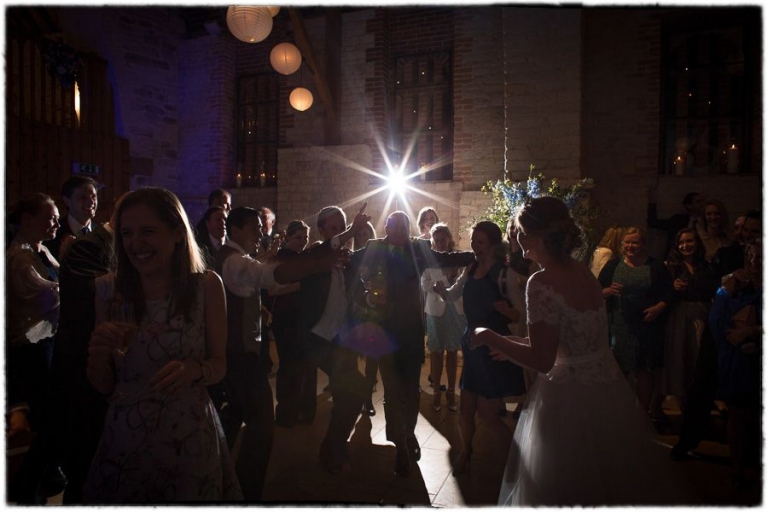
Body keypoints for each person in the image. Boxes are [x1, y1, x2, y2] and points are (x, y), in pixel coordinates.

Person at [473, 196, 690, 506]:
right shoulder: (582, 272)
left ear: (535, 235)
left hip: (567, 397)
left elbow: (543, 360)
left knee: (563, 484)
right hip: (605, 391)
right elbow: (569, 342)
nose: (515, 237)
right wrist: (513, 348)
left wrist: (489, 336)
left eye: (518, 230)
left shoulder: (541, 281)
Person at [83, 187, 242, 502]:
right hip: (125, 437)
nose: (135, 244)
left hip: (188, 435)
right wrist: (97, 357)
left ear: (178, 234)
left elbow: (219, 365)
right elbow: (104, 386)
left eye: (148, 232)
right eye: (127, 233)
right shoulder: (107, 290)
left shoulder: (206, 286)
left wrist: (194, 370)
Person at [347, 211, 475, 477]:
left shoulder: (419, 248)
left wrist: (478, 255)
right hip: (385, 333)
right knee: (393, 392)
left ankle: (408, 433)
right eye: (393, 226)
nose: (399, 231)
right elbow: (349, 264)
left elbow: (445, 258)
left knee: (412, 391)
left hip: (411, 333)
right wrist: (366, 298)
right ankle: (401, 445)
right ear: (386, 228)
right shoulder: (375, 247)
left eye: (403, 226)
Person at [52, 192, 128, 504]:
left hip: (109, 357)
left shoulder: (111, 243)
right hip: (84, 357)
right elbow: (95, 293)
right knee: (86, 453)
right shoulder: (89, 246)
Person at [436, 221, 525, 474]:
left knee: (488, 415)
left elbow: (520, 315)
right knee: (465, 411)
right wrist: (442, 290)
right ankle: (466, 451)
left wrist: (509, 312)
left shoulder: (504, 273)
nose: (475, 246)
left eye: (480, 242)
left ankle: (514, 463)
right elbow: (453, 295)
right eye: (474, 241)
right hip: (473, 345)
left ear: (494, 246)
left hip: (494, 346)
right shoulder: (470, 268)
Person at [292, 204, 372, 474]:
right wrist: (351, 231)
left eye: (343, 226)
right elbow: (329, 249)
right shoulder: (314, 255)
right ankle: (334, 448)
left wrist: (372, 298)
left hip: (342, 339)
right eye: (335, 228)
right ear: (322, 231)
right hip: (317, 337)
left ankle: (333, 447)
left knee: (348, 394)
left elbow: (359, 293)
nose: (340, 233)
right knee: (355, 387)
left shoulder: (347, 263)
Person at [6, 193, 62, 504]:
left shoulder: (42, 251)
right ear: (28, 220)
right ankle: (27, 484)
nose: (56, 221)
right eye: (50, 216)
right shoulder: (19, 258)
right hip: (32, 348)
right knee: (47, 419)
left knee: (51, 419)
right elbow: (50, 298)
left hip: (48, 342)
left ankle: (43, 475)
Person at [598, 227, 675, 424]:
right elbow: (596, 291)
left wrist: (658, 308)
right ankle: (620, 412)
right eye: (627, 242)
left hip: (647, 323)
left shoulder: (655, 266)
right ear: (622, 245)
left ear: (644, 244)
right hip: (620, 325)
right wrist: (608, 290)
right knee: (620, 368)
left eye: (635, 242)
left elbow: (669, 293)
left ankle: (641, 413)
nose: (631, 246)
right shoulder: (613, 265)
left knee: (644, 369)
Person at [710, 240, 762, 489]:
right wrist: (724, 292)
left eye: (760, 258)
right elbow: (717, 322)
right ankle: (738, 467)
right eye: (750, 257)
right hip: (739, 359)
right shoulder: (736, 286)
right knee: (738, 413)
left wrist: (753, 332)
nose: (754, 263)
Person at [663, 228, 719, 410]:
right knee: (679, 354)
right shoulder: (670, 266)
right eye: (681, 242)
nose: (685, 246)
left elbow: (713, 290)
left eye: (689, 241)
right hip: (679, 313)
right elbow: (662, 293)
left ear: (697, 243)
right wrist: (673, 287)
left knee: (698, 354)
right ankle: (682, 399)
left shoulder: (706, 266)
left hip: (702, 311)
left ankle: (699, 398)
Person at [269, 220, 317, 427]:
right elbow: (273, 289)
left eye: (305, 238)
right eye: (298, 237)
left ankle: (304, 410)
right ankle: (287, 412)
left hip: (303, 319)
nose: (303, 241)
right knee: (290, 365)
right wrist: (300, 285)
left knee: (307, 365)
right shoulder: (280, 259)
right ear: (287, 237)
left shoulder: (303, 258)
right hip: (286, 319)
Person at [420, 223, 466, 413]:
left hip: (455, 309)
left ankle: (451, 393)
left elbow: (464, 280)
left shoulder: (458, 258)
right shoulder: (428, 259)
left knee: (453, 352)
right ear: (433, 241)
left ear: (449, 239)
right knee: (437, 353)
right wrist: (439, 282)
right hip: (435, 310)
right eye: (436, 240)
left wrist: (449, 277)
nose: (440, 243)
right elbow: (424, 283)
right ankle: (437, 390)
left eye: (443, 239)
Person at [353, 221, 380, 417]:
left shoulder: (378, 259)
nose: (363, 238)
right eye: (360, 234)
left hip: (374, 312)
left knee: (372, 356)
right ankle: (354, 394)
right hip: (355, 311)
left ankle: (368, 398)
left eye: (366, 234)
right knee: (353, 355)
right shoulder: (353, 258)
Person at [44, 176, 100, 261]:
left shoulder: (101, 233)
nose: (91, 202)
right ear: (67, 201)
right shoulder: (52, 233)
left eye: (93, 196)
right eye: (83, 198)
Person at [647, 186, 704, 258]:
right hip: (677, 257)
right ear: (689, 205)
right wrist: (652, 202)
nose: (702, 204)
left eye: (703, 201)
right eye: (698, 202)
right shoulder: (678, 220)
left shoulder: (707, 221)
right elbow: (653, 223)